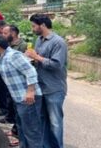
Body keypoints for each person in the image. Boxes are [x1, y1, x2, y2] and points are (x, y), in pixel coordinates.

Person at [25, 14, 68, 148]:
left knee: (55, 122)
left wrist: (36, 56)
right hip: (40, 87)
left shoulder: (58, 42)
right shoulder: (39, 40)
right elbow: (38, 60)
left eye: (34, 26)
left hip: (54, 88)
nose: (32, 29)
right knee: (42, 119)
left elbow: (56, 64)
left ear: (42, 25)